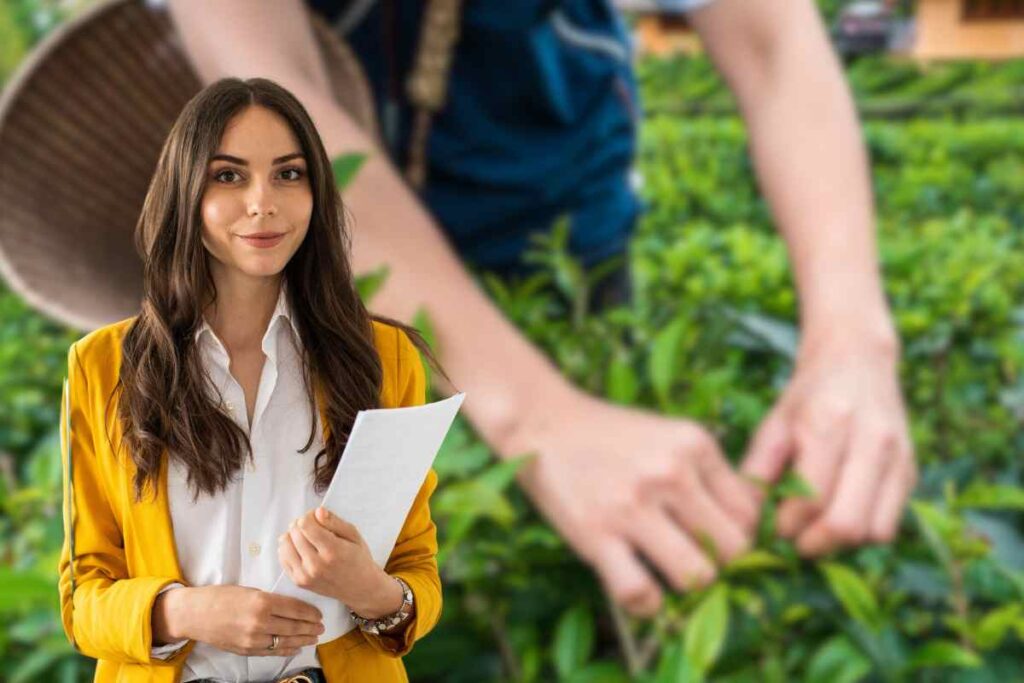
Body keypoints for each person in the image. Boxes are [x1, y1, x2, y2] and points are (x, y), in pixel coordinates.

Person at [167, 0, 918, 618]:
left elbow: (772, 40)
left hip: (558, 219)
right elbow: (268, 94)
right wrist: (536, 417)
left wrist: (852, 337)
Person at [57, 78, 447, 683]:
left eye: (289, 174)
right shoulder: (103, 366)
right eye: (229, 176)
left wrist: (369, 589)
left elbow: (416, 572)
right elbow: (83, 599)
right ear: (187, 192)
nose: (263, 202)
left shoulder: (384, 358)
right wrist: (182, 611)